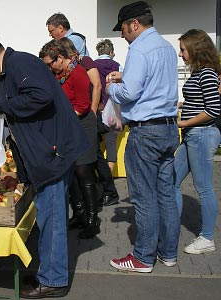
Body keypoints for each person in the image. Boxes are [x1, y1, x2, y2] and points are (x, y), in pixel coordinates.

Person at [0, 33, 89, 299]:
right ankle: (49, 272)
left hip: (52, 153)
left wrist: (2, 104)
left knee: (53, 218)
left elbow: (41, 96)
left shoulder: (20, 63)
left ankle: (54, 280)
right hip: (45, 153)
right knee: (48, 215)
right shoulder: (11, 71)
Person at [106, 1, 180, 272]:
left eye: (123, 30)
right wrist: (124, 75)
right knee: (166, 195)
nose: (122, 36)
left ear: (134, 24)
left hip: (146, 130)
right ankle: (168, 253)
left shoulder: (138, 48)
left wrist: (112, 89)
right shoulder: (166, 47)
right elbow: (153, 82)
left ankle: (143, 257)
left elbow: (129, 93)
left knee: (144, 196)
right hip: (169, 128)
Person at [39, 38, 99, 239]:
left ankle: (92, 220)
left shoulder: (78, 73)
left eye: (50, 64)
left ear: (61, 58)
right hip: (68, 124)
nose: (49, 68)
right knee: (71, 171)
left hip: (82, 124)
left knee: (84, 171)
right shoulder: (58, 75)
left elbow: (83, 105)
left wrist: (62, 116)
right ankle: (79, 213)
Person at [175, 29, 221, 254]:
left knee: (203, 188)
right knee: (171, 179)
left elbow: (213, 109)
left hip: (201, 134)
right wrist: (181, 105)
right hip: (193, 135)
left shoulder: (207, 73)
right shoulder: (200, 73)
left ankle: (207, 238)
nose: (180, 53)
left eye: (183, 49)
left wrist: (184, 123)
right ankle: (171, 227)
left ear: (195, 49)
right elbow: (200, 100)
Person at [62, 37, 120, 207]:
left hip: (89, 115)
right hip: (86, 115)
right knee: (96, 156)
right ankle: (104, 191)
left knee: (95, 157)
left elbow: (97, 86)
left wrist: (93, 111)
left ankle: (107, 191)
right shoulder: (72, 66)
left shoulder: (85, 61)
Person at [94, 39, 123, 174]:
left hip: (97, 108)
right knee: (111, 143)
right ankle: (109, 174)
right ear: (111, 52)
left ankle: (97, 174)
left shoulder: (92, 67)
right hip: (112, 110)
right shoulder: (118, 66)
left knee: (94, 142)